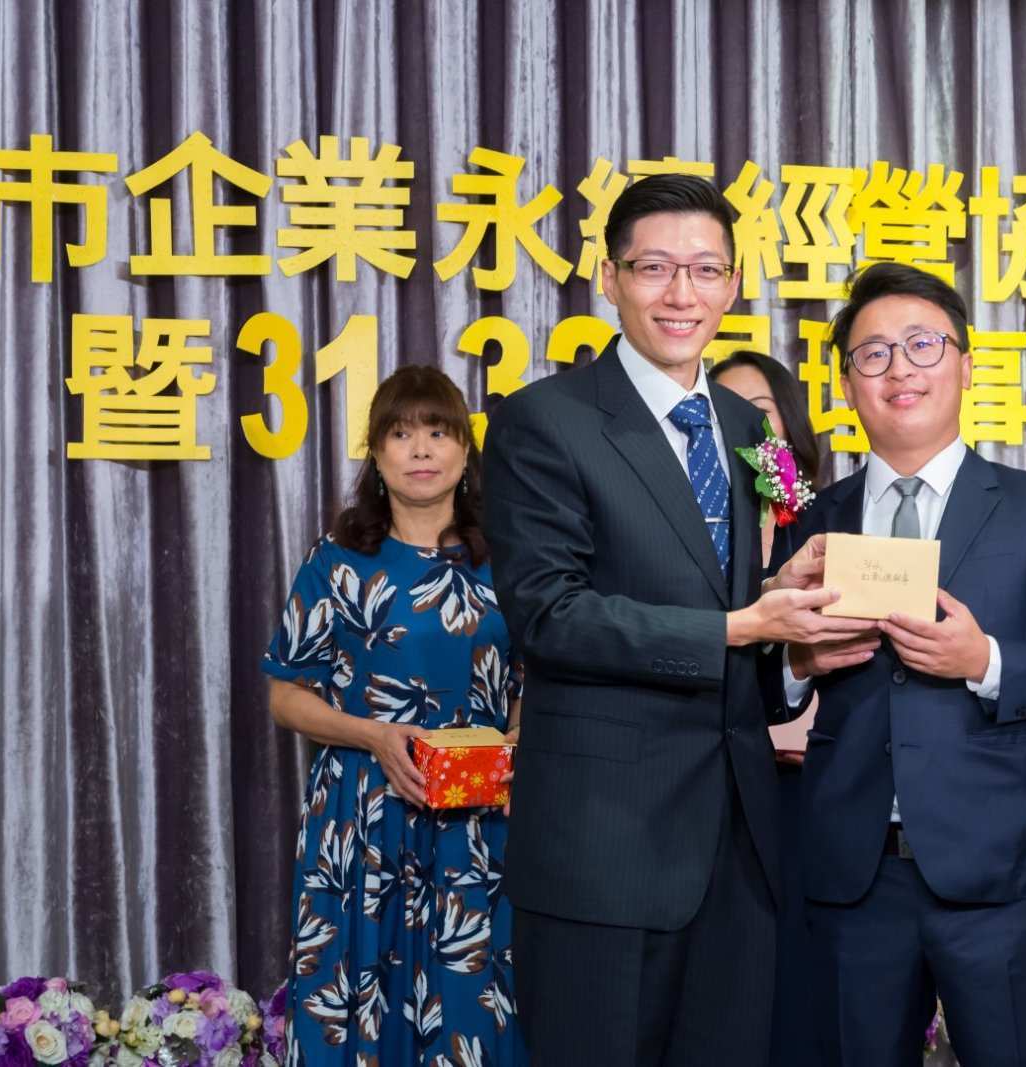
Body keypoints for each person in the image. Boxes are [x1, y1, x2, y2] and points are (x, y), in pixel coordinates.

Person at [481, 174, 872, 1067]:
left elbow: (737, 611)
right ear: (609, 278)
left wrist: (792, 637)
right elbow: (549, 614)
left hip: (738, 844)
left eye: (705, 269)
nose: (681, 292)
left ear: (733, 284)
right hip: (605, 847)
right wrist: (738, 626)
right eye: (654, 267)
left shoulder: (741, 424)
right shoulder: (546, 421)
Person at [780, 263, 1026, 1067]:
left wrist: (987, 659)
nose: (899, 369)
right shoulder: (816, 520)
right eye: (873, 354)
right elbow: (765, 685)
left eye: (922, 345)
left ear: (966, 366)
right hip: (852, 881)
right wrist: (799, 658)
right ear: (847, 384)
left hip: (997, 878)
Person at [262, 366, 528, 1066]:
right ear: (377, 454)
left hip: (478, 819)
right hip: (362, 816)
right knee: (357, 1000)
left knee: (472, 1001)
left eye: (438, 432)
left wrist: (520, 735)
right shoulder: (338, 561)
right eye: (402, 434)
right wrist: (375, 735)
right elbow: (286, 693)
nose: (421, 449)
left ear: (465, 451)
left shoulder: (507, 560)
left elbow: (537, 674)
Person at [709, 350, 826, 1067]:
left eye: (758, 411)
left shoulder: (826, 522)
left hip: (803, 790)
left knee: (794, 985)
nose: (742, 426)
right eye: (723, 410)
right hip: (706, 787)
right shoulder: (686, 525)